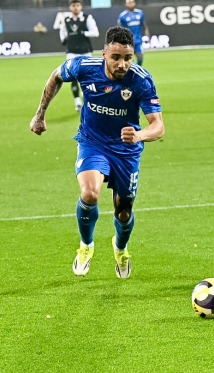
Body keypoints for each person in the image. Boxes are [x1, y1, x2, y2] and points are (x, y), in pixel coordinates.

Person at [30, 26, 165, 279]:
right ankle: (86, 245)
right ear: (104, 54)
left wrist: (138, 135)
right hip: (92, 142)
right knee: (89, 193)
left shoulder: (141, 79)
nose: (122, 64)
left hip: (126, 150)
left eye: (128, 58)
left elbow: (158, 126)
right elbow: (56, 76)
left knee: (123, 212)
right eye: (116, 57)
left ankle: (120, 248)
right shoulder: (84, 67)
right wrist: (40, 115)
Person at [60, 0, 100, 111]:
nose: (75, 8)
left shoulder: (87, 18)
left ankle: (86, 96)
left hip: (85, 51)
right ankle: (77, 102)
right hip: (72, 51)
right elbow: (62, 31)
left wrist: (83, 33)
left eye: (77, 5)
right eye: (73, 6)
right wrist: (63, 39)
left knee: (88, 76)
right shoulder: (67, 20)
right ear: (70, 7)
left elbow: (95, 32)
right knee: (73, 76)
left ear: (81, 6)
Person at [118, 0, 149, 66]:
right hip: (128, 42)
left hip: (138, 40)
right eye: (129, 3)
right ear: (126, 4)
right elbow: (120, 30)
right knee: (130, 61)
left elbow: (144, 26)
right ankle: (131, 72)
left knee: (140, 59)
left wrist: (148, 37)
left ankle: (136, 71)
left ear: (134, 3)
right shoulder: (123, 16)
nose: (131, 4)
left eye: (132, 2)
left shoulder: (140, 13)